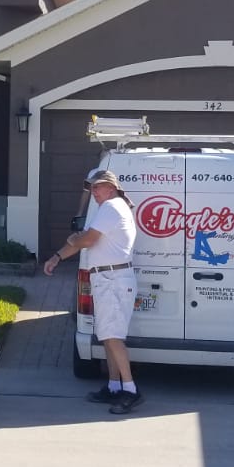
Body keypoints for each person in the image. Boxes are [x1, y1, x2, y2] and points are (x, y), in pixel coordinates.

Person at [42, 169, 142, 414]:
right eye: (91, 188)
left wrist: (76, 239)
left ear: (110, 187)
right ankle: (114, 385)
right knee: (107, 335)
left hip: (113, 278)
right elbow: (84, 240)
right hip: (108, 277)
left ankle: (131, 390)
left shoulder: (111, 207)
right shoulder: (113, 207)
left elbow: (87, 240)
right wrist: (58, 256)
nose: (93, 192)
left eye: (97, 187)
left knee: (114, 337)